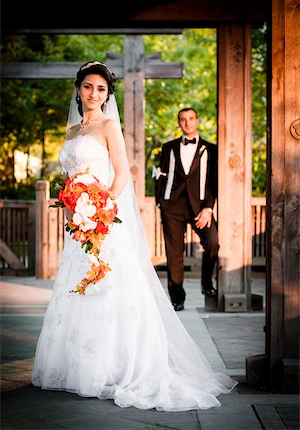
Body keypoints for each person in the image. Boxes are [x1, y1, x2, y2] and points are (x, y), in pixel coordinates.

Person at [32, 61, 237, 411]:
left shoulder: (110, 126)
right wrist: (71, 206)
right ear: (78, 89)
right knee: (78, 285)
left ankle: (116, 366)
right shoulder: (70, 133)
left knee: (110, 287)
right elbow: (70, 179)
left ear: (107, 94)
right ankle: (76, 366)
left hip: (104, 219)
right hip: (78, 226)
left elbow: (124, 173)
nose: (94, 94)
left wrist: (101, 209)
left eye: (101, 89)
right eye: (88, 87)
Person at [154, 108, 218, 311]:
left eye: (191, 119)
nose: (187, 122)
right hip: (172, 207)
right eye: (183, 120)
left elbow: (214, 181)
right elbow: (160, 175)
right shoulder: (168, 147)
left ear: (197, 121)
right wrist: (160, 202)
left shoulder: (211, 148)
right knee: (174, 253)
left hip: (200, 207)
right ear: (179, 123)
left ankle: (207, 283)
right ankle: (177, 298)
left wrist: (208, 208)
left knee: (213, 242)